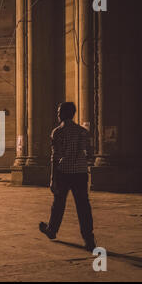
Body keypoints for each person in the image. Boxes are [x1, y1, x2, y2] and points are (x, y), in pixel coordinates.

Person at [39, 102, 96, 252]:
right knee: (83, 206)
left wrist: (52, 178)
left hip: (63, 172)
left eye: (59, 112)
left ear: (64, 114)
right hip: (81, 173)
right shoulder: (83, 131)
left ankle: (52, 229)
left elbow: (55, 157)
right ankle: (89, 238)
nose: (57, 114)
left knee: (58, 202)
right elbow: (88, 152)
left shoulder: (57, 132)